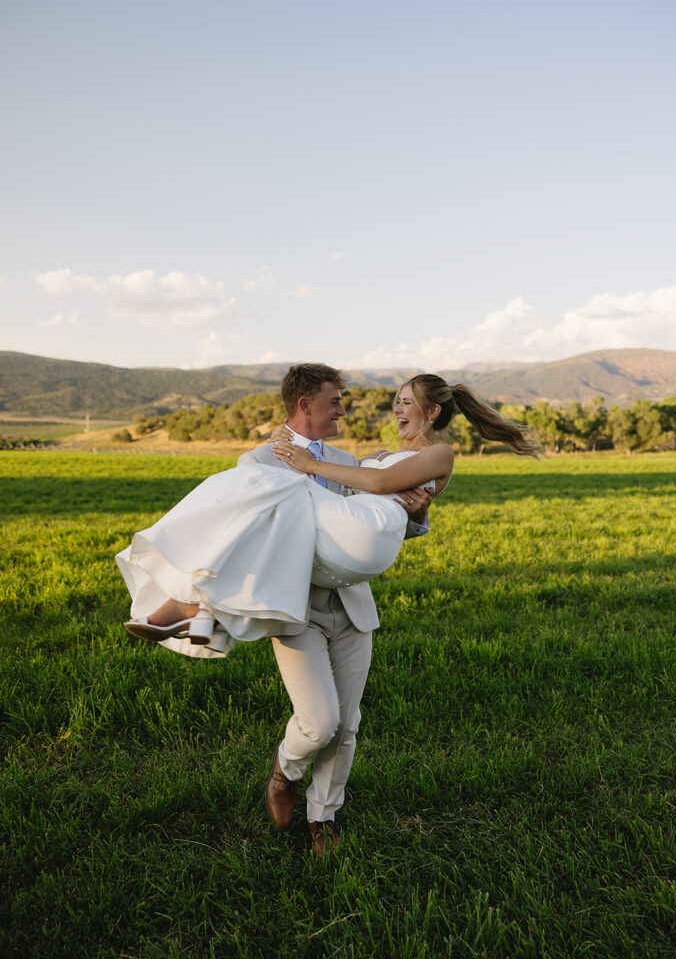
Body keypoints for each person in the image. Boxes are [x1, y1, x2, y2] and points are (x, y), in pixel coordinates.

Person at [116, 364, 538, 856]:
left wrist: (416, 512)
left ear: (431, 411)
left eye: (403, 401)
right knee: (319, 721)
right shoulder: (258, 460)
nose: (349, 408)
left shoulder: (351, 458)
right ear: (305, 405)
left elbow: (370, 515)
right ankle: (283, 769)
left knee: (348, 722)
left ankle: (324, 816)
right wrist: (295, 463)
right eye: (336, 400)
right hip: (297, 605)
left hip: (352, 601)